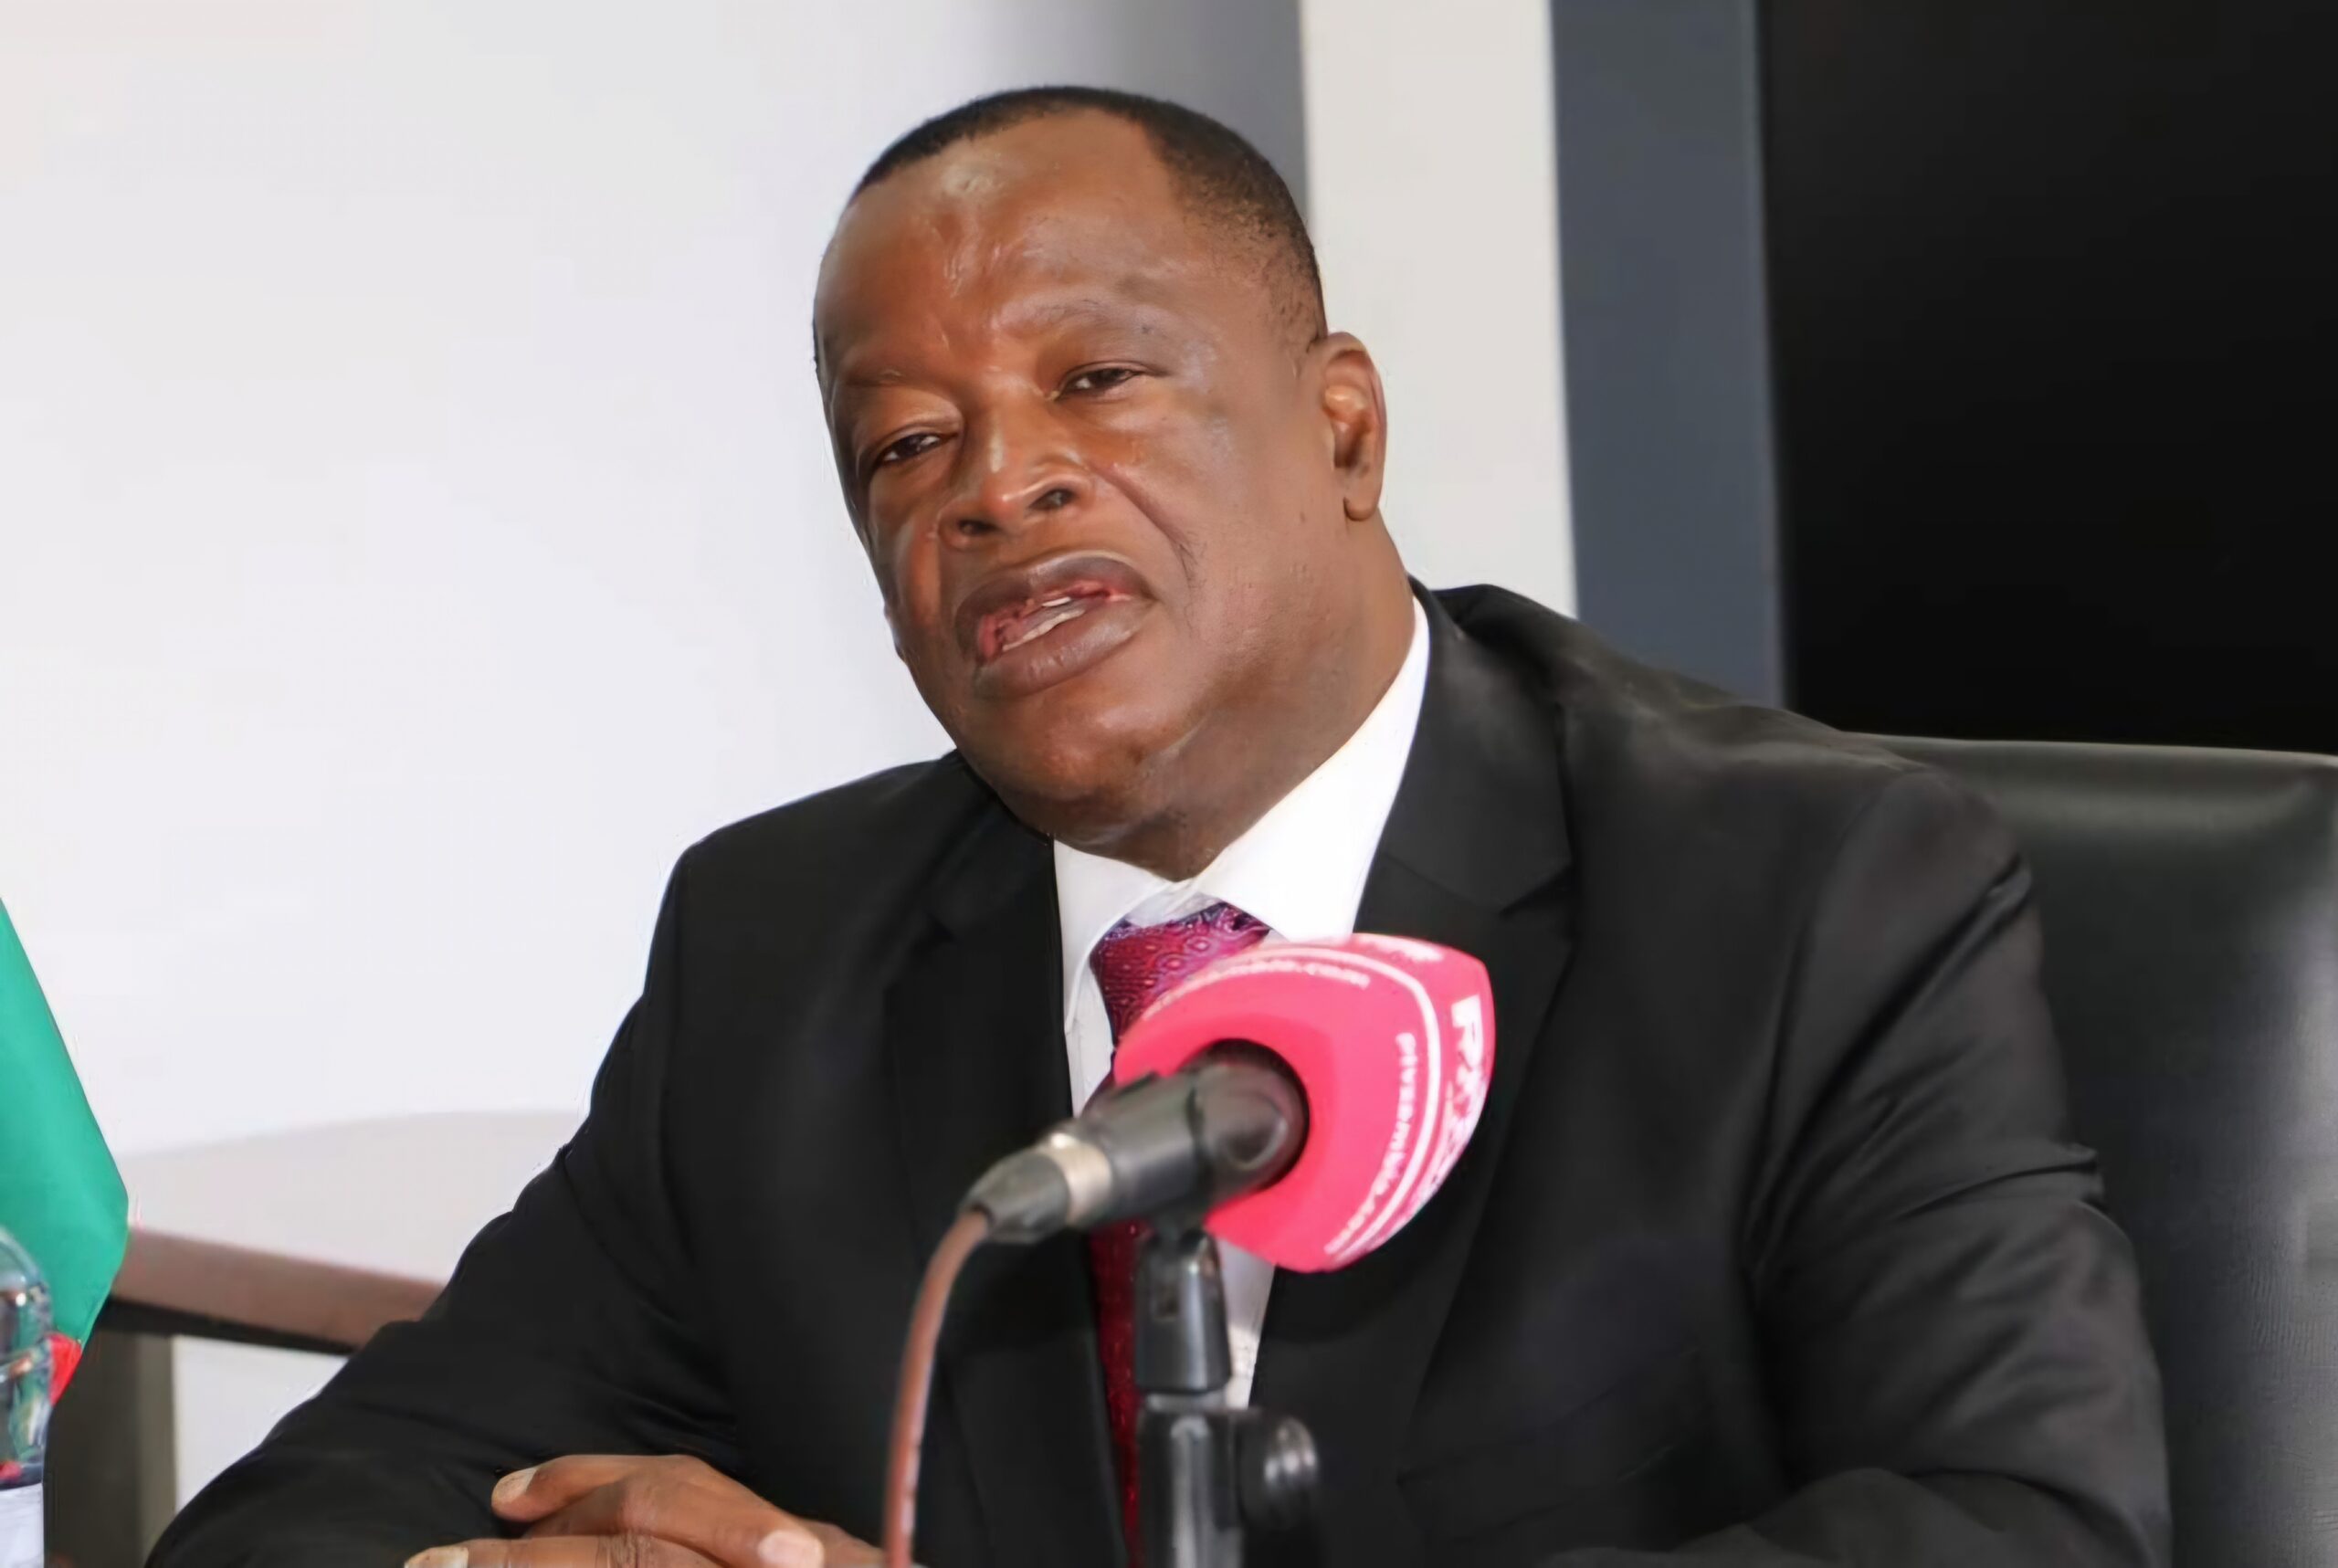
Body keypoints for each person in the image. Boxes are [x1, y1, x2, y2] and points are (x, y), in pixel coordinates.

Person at [150, 88, 2168, 1568]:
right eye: (907, 444)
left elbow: (2023, 1525)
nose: (998, 485)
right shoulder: (780, 950)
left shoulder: (1804, 894)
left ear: (1343, 427)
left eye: (1097, 379)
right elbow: (308, 1511)